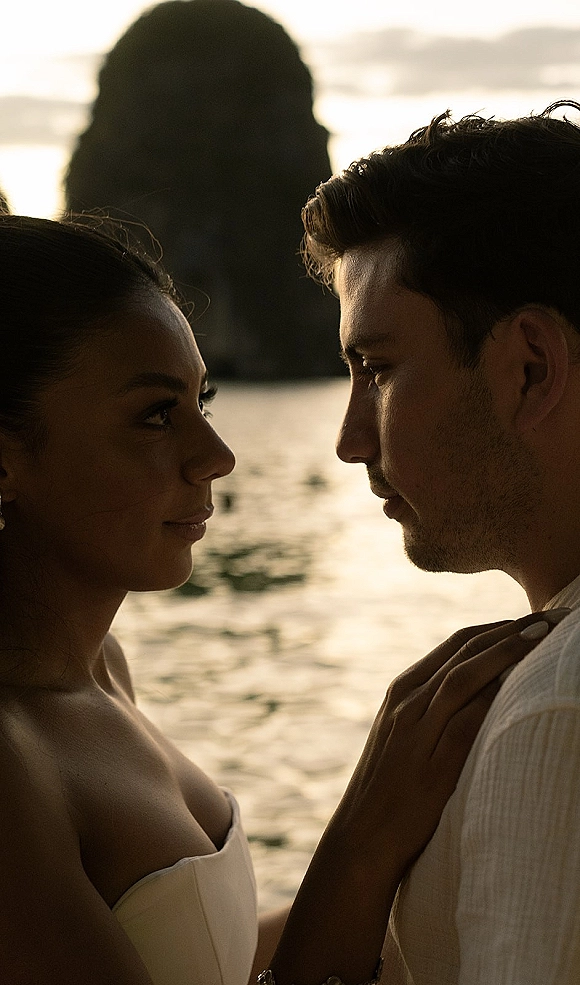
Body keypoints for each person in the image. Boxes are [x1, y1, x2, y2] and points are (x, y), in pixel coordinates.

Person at [0, 213, 559, 985]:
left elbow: (203, 957)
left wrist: (454, 843)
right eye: (157, 414)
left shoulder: (102, 670)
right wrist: (360, 841)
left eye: (206, 401)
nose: (218, 456)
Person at [297, 100, 580, 984]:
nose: (350, 438)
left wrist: (355, 856)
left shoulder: (552, 713)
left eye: (376, 369)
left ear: (530, 366)